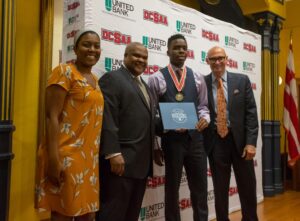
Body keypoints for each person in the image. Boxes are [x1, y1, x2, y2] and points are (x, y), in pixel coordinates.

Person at [35, 29, 103, 221]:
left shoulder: (95, 80)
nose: (92, 49)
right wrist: (54, 159)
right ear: (75, 48)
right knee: (63, 214)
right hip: (65, 155)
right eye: (86, 44)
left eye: (96, 46)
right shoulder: (64, 71)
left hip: (89, 160)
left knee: (87, 214)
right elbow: (51, 116)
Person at [148, 33, 210, 221]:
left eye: (184, 47)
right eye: (176, 47)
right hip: (171, 141)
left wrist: (205, 118)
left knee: (200, 188)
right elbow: (151, 114)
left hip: (195, 140)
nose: (181, 51)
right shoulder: (156, 78)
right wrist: (156, 145)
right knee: (172, 188)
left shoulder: (197, 77)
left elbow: (203, 106)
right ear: (168, 51)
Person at [97, 42, 156, 221]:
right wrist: (113, 152)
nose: (141, 60)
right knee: (112, 214)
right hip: (120, 163)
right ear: (125, 56)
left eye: (144, 57)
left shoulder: (145, 86)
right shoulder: (112, 79)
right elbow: (108, 118)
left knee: (131, 215)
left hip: (141, 165)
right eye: (136, 55)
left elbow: (148, 121)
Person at [203, 46, 258, 221]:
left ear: (227, 59)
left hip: (241, 143)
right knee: (219, 190)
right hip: (216, 143)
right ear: (207, 61)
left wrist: (251, 142)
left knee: (247, 187)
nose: (217, 62)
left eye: (220, 58)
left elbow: (251, 113)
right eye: (213, 59)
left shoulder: (242, 81)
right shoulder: (201, 83)